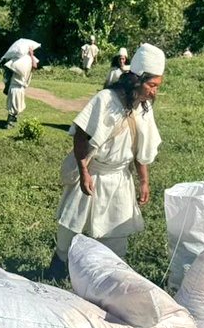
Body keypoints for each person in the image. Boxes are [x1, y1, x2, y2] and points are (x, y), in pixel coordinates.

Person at [53, 43, 164, 269]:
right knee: (72, 234)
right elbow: (81, 135)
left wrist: (144, 181)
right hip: (95, 175)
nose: (154, 92)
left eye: (157, 86)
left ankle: (105, 278)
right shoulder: (105, 99)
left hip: (120, 179)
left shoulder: (144, 108)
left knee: (115, 240)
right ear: (137, 80)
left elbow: (141, 150)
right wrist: (84, 173)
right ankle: (57, 272)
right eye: (151, 85)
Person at [4, 47, 37, 128]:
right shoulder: (17, 61)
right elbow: (34, 66)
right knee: (13, 106)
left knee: (17, 106)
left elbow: (34, 66)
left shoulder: (26, 60)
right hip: (15, 87)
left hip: (20, 87)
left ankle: (12, 120)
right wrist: (31, 55)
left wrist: (31, 56)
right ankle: (9, 124)